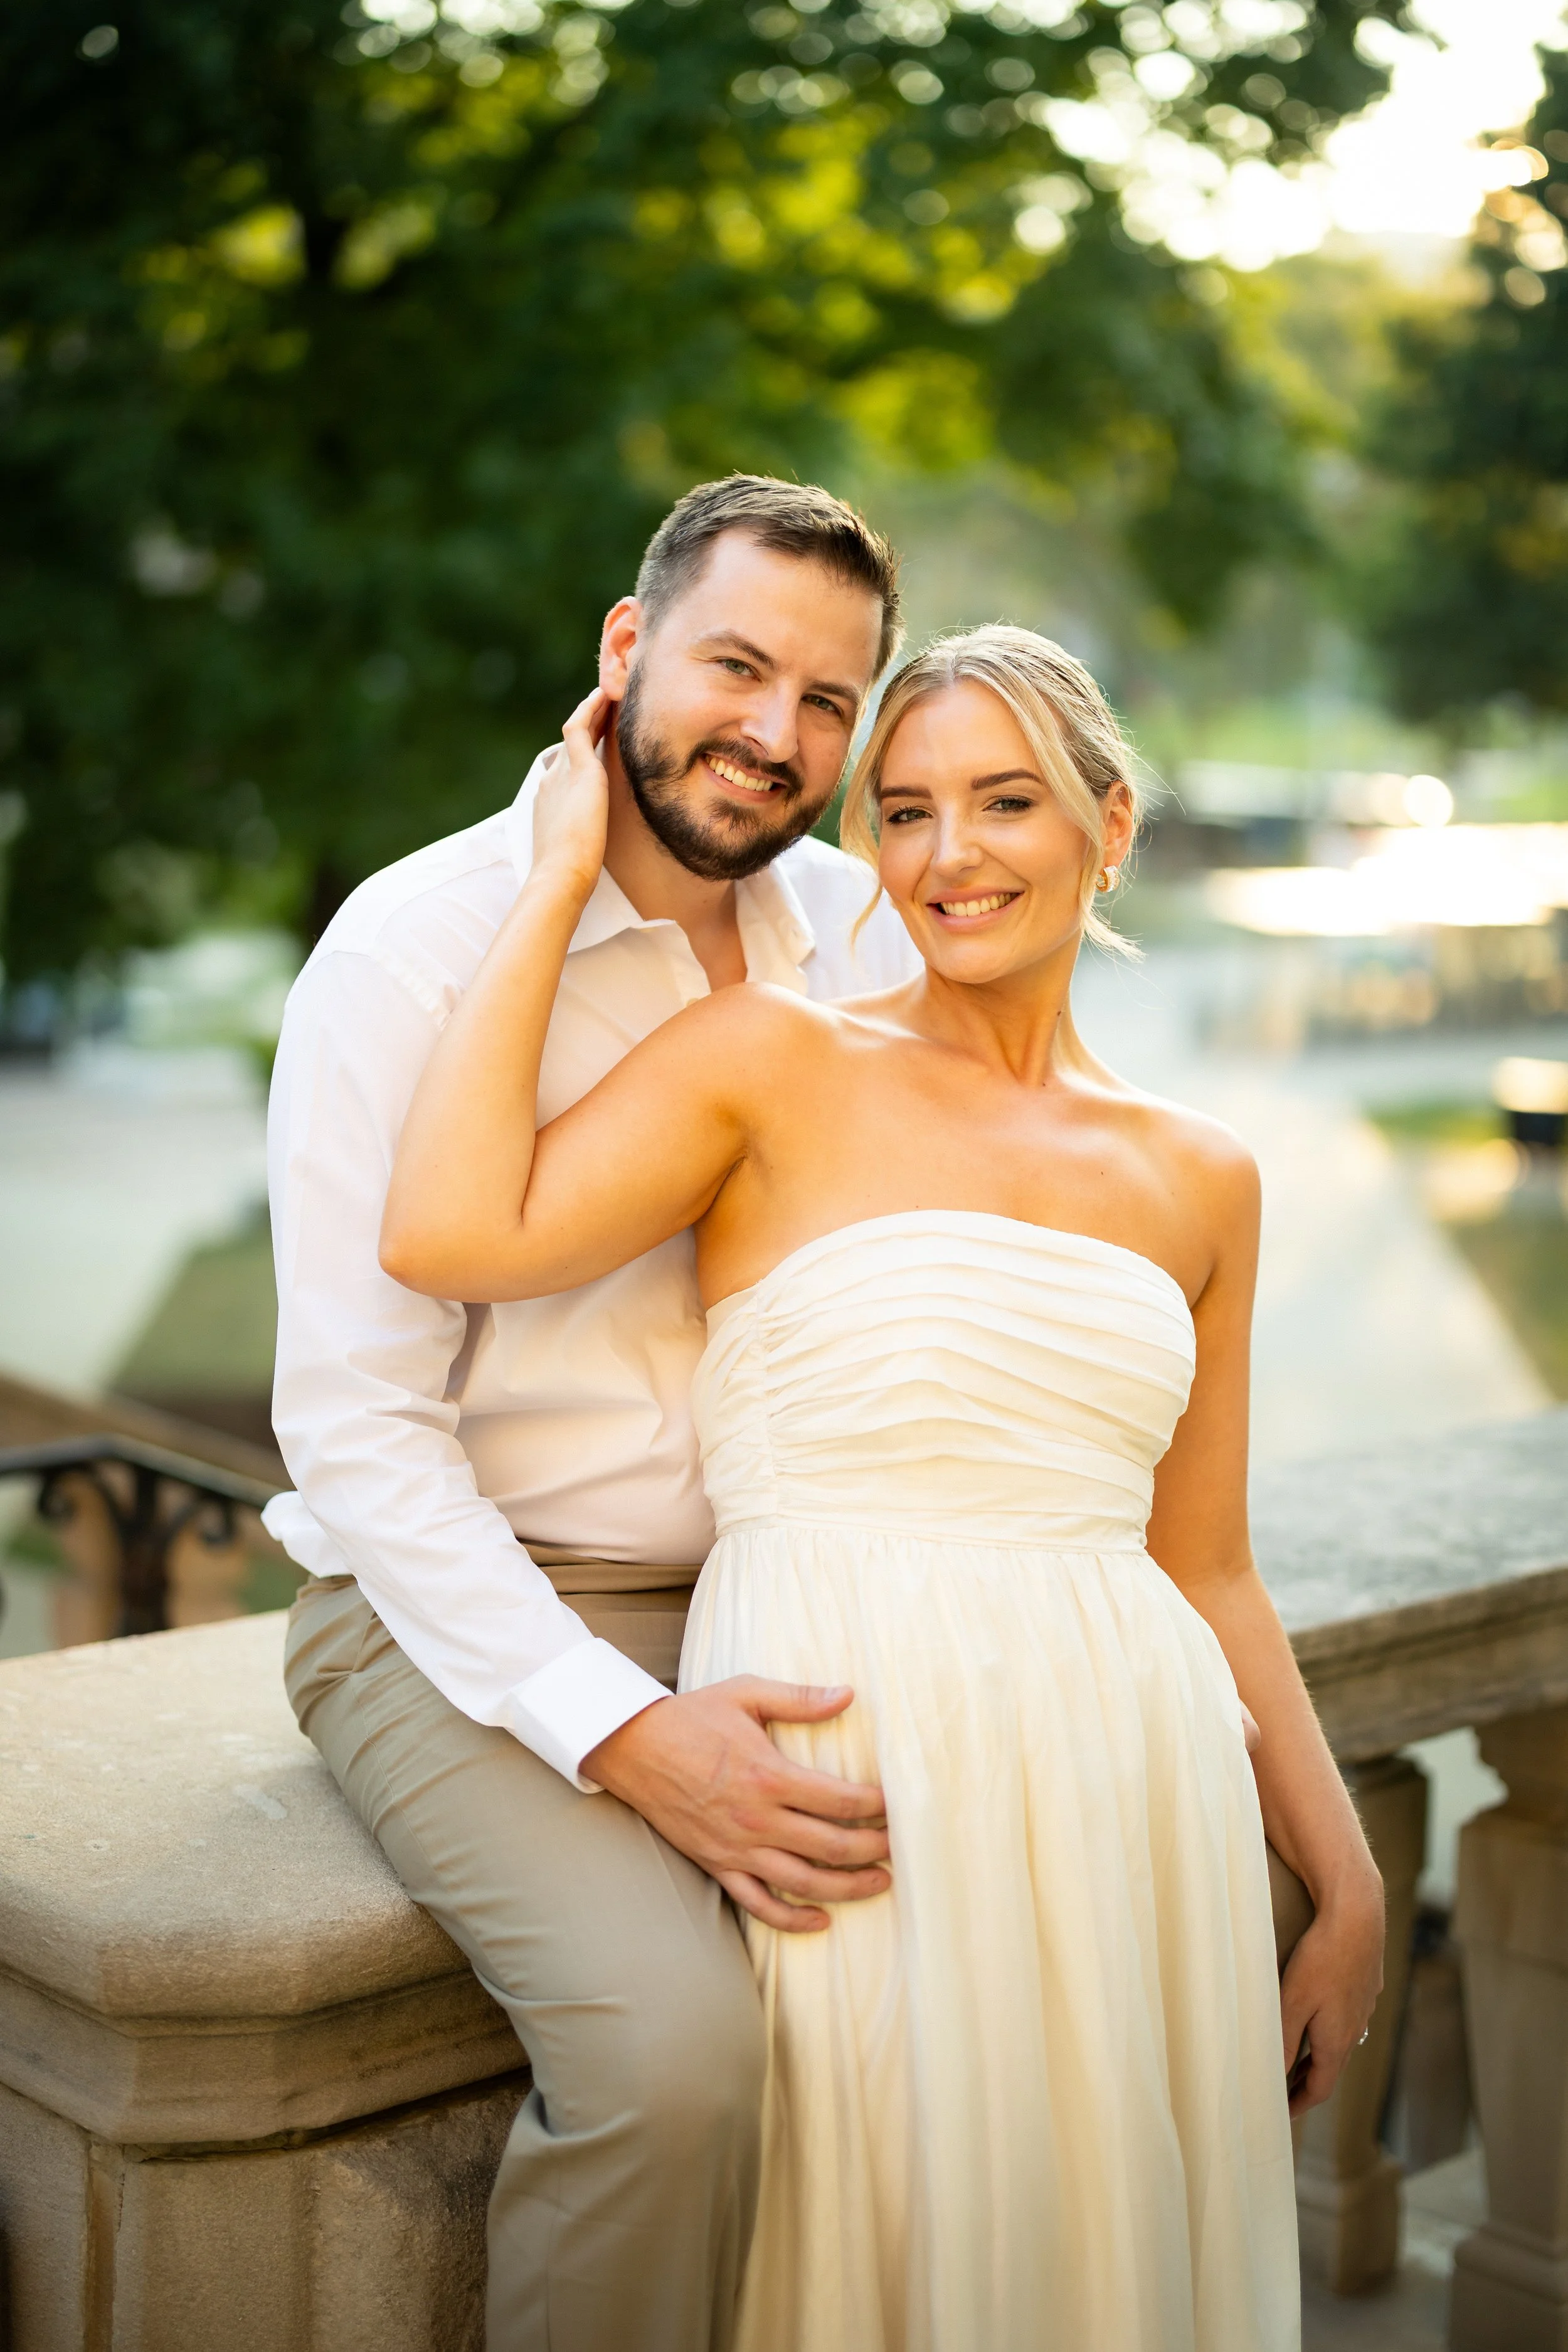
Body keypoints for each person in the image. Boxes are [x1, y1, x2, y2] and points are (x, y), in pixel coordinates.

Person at [379, 624, 1387, 2352]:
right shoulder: (769, 1059)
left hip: (1129, 1781)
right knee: (870, 2248)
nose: (948, 854)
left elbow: (1207, 1563)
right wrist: (554, 875)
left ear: (1109, 826)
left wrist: (1345, 1878)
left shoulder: (1202, 1173)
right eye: (904, 811)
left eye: (1004, 801)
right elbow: (447, 1230)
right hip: (856, 1770)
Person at [266, 476, 927, 2352]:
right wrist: (624, 1733)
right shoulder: (410, 948)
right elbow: (357, 1431)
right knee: (678, 2062)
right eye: (736, 667)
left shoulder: (860, 934)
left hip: (787, 1586)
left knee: (999, 1961)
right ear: (628, 646)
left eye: (827, 700)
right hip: (460, 1607)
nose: (776, 733)